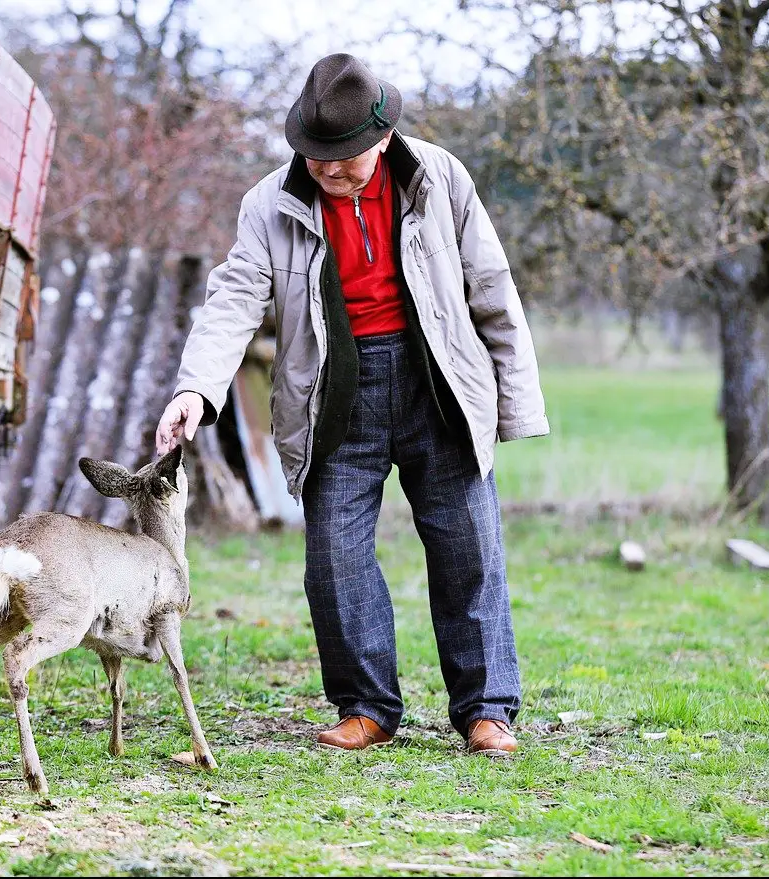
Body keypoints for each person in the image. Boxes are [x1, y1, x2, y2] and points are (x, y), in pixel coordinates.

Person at [155, 53, 548, 755]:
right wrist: (197, 387)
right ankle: (366, 705)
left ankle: (487, 709)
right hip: (334, 392)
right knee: (334, 559)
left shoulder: (440, 178)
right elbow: (234, 300)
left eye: (344, 159)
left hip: (438, 384)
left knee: (470, 551)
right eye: (316, 157)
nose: (329, 171)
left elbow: (493, 289)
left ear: (383, 139)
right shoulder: (268, 205)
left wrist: (515, 404)